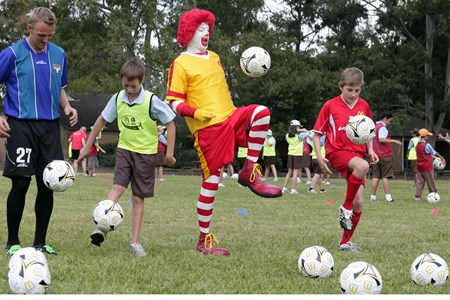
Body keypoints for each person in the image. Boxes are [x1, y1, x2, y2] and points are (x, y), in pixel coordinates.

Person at [165, 8, 281, 256]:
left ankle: (249, 170)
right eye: (200, 29)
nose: (205, 32)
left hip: (231, 116)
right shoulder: (180, 63)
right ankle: (203, 240)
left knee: (261, 112)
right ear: (188, 33)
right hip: (208, 128)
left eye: (208, 28)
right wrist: (195, 113)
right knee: (211, 183)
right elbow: (172, 101)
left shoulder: (215, 57)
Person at [0, 7, 78, 256]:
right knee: (21, 184)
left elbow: (59, 87)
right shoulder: (11, 54)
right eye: (41, 35)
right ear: (29, 28)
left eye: (50, 36)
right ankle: (13, 241)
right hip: (21, 126)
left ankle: (40, 243)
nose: (46, 41)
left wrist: (67, 106)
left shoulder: (59, 54)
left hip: (49, 128)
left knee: (48, 184)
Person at [79, 58, 176, 256]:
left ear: (141, 81)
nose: (129, 90)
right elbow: (100, 121)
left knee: (138, 198)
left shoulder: (151, 100)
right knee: (117, 187)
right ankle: (102, 227)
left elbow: (171, 123)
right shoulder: (117, 99)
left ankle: (134, 243)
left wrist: (170, 153)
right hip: (125, 150)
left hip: (146, 155)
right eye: (125, 86)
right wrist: (88, 145)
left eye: (133, 86)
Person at [312, 67, 378, 252]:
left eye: (357, 90)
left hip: (357, 155)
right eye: (350, 90)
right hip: (337, 152)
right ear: (341, 86)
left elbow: (369, 130)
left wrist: (371, 150)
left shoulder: (363, 105)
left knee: (359, 202)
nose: (353, 94)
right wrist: (319, 155)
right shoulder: (330, 106)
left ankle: (344, 242)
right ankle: (345, 207)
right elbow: (317, 134)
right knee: (363, 166)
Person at [369, 112, 402, 202]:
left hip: (375, 156)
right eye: (390, 121)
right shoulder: (382, 128)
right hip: (384, 155)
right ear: (385, 119)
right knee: (386, 176)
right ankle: (388, 197)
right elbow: (381, 139)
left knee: (375, 176)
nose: (390, 123)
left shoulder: (373, 127)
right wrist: (395, 141)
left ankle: (373, 197)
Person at [414, 129, 446, 201]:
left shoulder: (417, 145)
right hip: (427, 167)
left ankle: (417, 197)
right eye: (427, 135)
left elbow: (425, 154)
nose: (428, 137)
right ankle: (434, 195)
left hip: (419, 167)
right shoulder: (427, 145)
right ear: (425, 136)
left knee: (419, 182)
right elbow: (434, 152)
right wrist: (442, 158)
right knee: (431, 181)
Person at [282, 120, 304, 194]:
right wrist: (302, 130)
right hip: (297, 155)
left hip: (290, 154)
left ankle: (284, 188)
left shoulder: (287, 135)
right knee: (295, 173)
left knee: (289, 172)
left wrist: (298, 130)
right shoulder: (300, 136)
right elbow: (310, 133)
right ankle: (293, 189)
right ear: (297, 127)